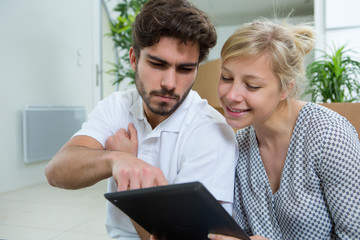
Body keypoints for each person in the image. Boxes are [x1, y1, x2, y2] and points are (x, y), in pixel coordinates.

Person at [45, 0, 237, 239]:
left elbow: (178, 238)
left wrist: (131, 176)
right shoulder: (116, 106)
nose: (169, 83)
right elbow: (56, 171)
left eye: (185, 69)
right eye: (157, 64)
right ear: (134, 59)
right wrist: (116, 159)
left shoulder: (212, 131)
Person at [208, 19, 360, 240]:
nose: (231, 95)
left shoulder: (329, 136)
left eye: (252, 85)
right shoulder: (238, 145)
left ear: (285, 89)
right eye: (227, 78)